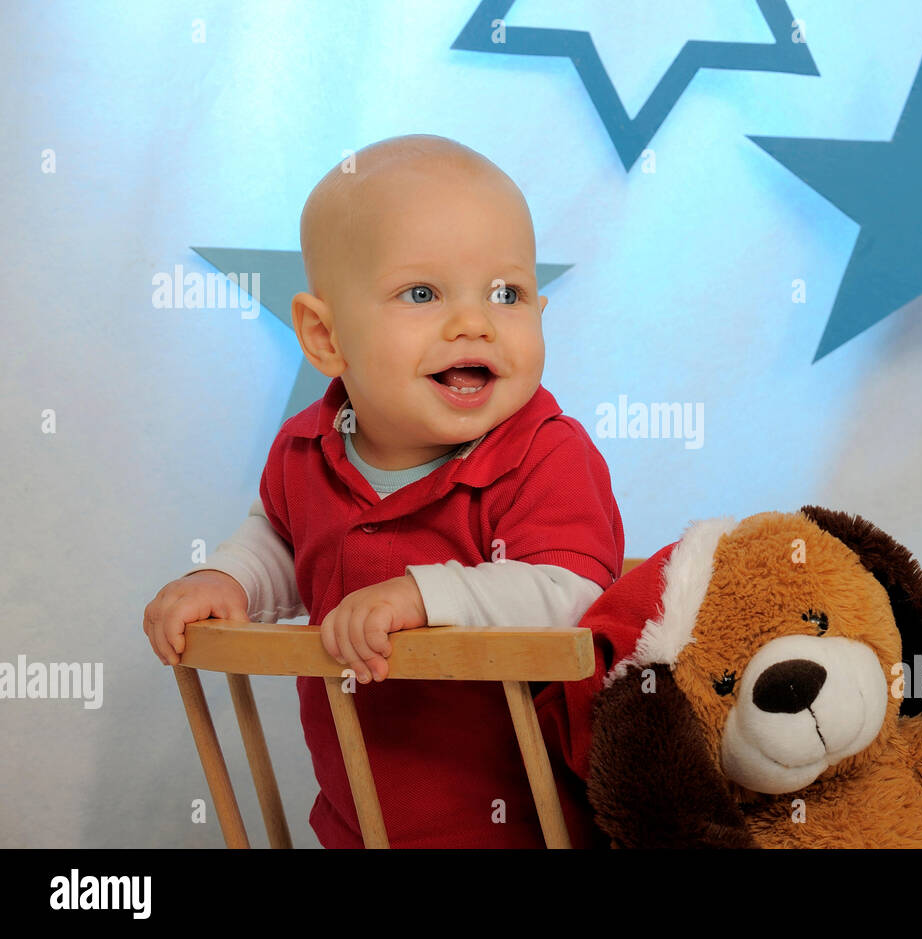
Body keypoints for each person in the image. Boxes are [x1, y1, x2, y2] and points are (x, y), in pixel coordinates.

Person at [143, 134, 630, 847]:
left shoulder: (546, 453)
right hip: (360, 820)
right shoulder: (305, 451)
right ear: (324, 335)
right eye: (422, 293)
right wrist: (229, 578)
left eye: (507, 293)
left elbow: (574, 592)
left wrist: (422, 596)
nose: (475, 321)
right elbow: (281, 538)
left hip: (526, 825)